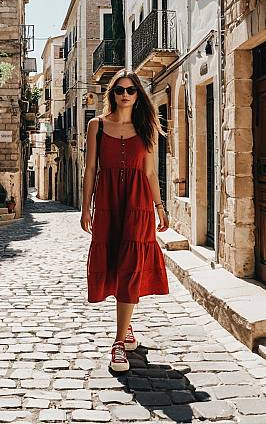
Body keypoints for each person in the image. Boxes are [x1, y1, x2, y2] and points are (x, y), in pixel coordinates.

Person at [80, 70, 169, 372]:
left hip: (138, 204)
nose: (125, 95)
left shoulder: (146, 128)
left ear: (138, 94)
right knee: (115, 264)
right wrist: (85, 208)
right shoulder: (97, 126)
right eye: (120, 90)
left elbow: (150, 173)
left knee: (131, 265)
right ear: (112, 94)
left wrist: (160, 207)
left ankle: (119, 342)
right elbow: (91, 168)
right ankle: (127, 326)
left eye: (131, 90)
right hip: (107, 203)